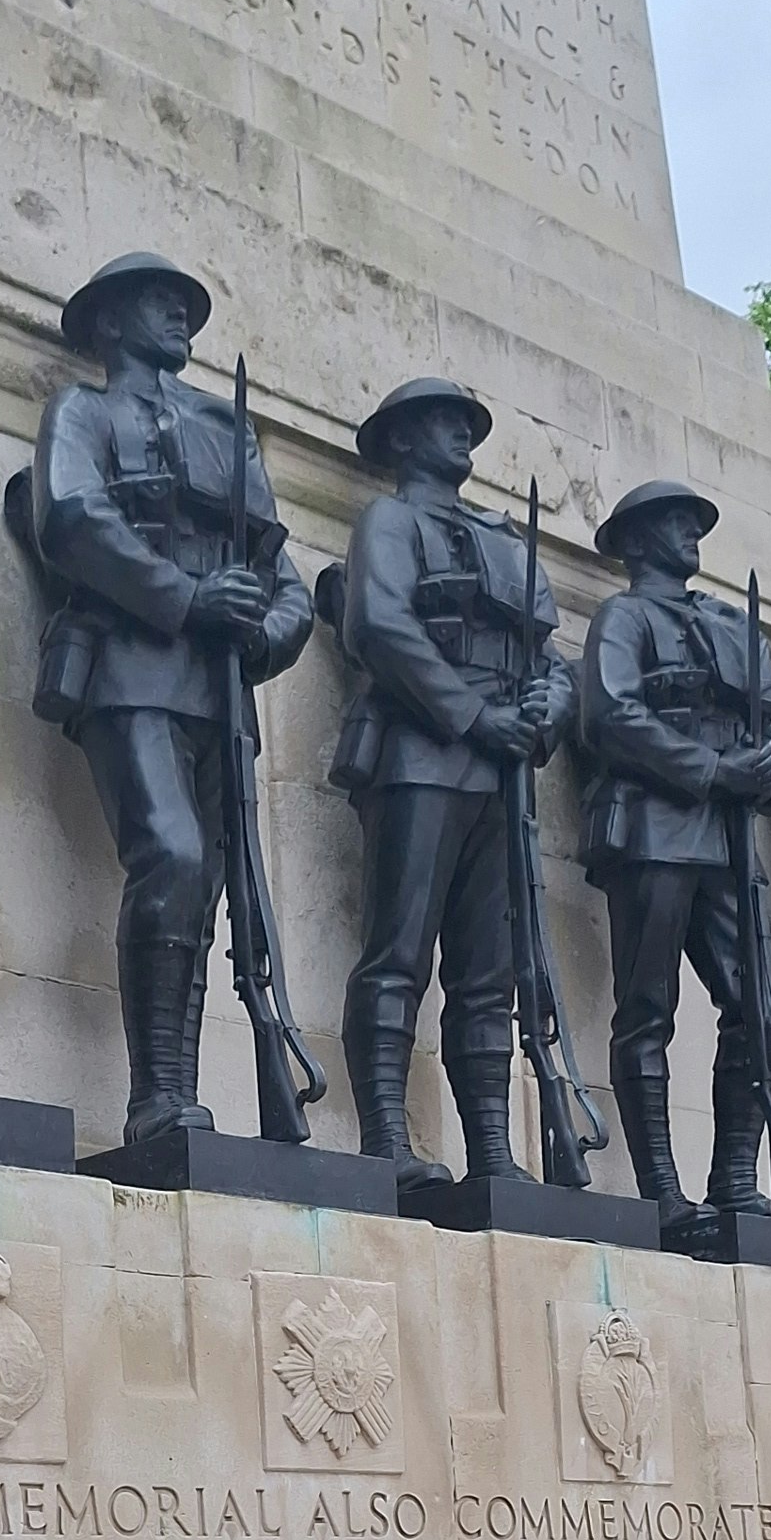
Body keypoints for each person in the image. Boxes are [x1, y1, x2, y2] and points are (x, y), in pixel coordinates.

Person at [24, 253, 312, 1147]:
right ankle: (156, 1091)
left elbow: (284, 576)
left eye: (186, 305)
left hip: (222, 692)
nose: (179, 316)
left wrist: (267, 631)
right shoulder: (87, 412)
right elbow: (72, 515)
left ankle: (176, 1094)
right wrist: (186, 598)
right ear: (109, 323)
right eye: (159, 304)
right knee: (174, 859)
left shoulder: (228, 436)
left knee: (214, 888)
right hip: (131, 669)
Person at [325, 380, 573, 1189]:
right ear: (400, 441)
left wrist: (549, 706)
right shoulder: (390, 523)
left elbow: (551, 659)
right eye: (441, 421)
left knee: (490, 974)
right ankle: (387, 1138)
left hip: (502, 769)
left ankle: (494, 1154)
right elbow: (379, 625)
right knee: (398, 954)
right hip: (421, 754)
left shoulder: (508, 543)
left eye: (467, 420)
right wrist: (473, 715)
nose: (460, 431)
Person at [577, 478, 771, 1246]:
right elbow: (611, 715)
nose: (689, 532)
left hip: (728, 838)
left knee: (759, 1008)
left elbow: (765, 723)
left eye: (693, 521)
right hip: (652, 830)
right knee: (649, 1009)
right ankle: (663, 1190)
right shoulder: (624, 618)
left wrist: (764, 770)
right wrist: (713, 772)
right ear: (637, 541)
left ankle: (734, 1178)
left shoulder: (728, 626)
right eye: (672, 523)